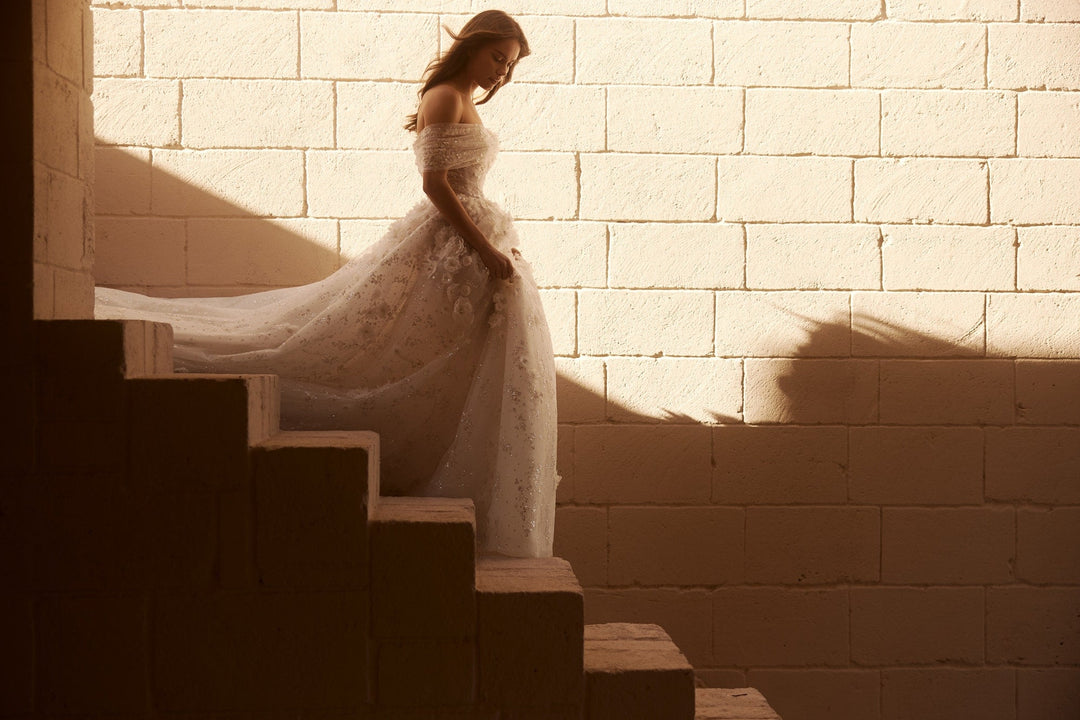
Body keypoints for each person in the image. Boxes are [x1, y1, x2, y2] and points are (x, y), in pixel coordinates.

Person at [95, 10, 559, 558]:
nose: (501, 74)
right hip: (453, 247)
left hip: (470, 251)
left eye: (509, 66)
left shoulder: (463, 103)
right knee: (367, 346)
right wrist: (482, 248)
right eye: (497, 58)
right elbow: (436, 186)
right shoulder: (443, 97)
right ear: (473, 47)